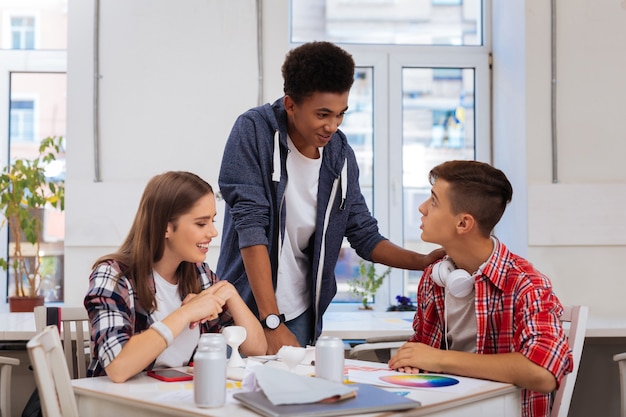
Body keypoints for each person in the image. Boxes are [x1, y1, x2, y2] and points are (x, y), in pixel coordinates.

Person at [216, 41, 444, 354]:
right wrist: (271, 320)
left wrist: (422, 262)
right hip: (246, 305)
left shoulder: (339, 156)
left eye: (340, 115)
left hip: (301, 313)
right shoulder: (253, 131)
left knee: (293, 400)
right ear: (291, 104)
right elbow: (251, 226)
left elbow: (363, 233)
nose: (332, 126)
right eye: (323, 114)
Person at [387, 160, 573, 417]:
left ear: (463, 224)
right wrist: (412, 361)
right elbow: (422, 351)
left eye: (433, 201)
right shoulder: (436, 276)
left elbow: (543, 374)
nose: (422, 208)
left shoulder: (525, 283)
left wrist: (438, 360)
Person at [84, 171, 267, 382]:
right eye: (201, 223)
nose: (213, 232)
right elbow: (118, 367)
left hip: (176, 399)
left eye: (212, 221)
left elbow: (257, 349)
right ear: (166, 228)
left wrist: (231, 293)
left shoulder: (201, 276)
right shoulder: (114, 276)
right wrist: (186, 313)